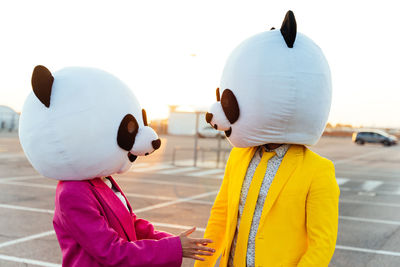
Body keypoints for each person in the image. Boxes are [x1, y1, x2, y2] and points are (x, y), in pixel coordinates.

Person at [19, 65, 214, 267]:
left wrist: (172, 241)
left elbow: (132, 224)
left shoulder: (101, 179)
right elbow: (112, 252)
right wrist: (173, 248)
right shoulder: (73, 193)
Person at [195, 11, 339, 267]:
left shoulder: (319, 171)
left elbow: (322, 243)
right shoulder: (238, 156)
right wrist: (202, 264)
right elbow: (220, 213)